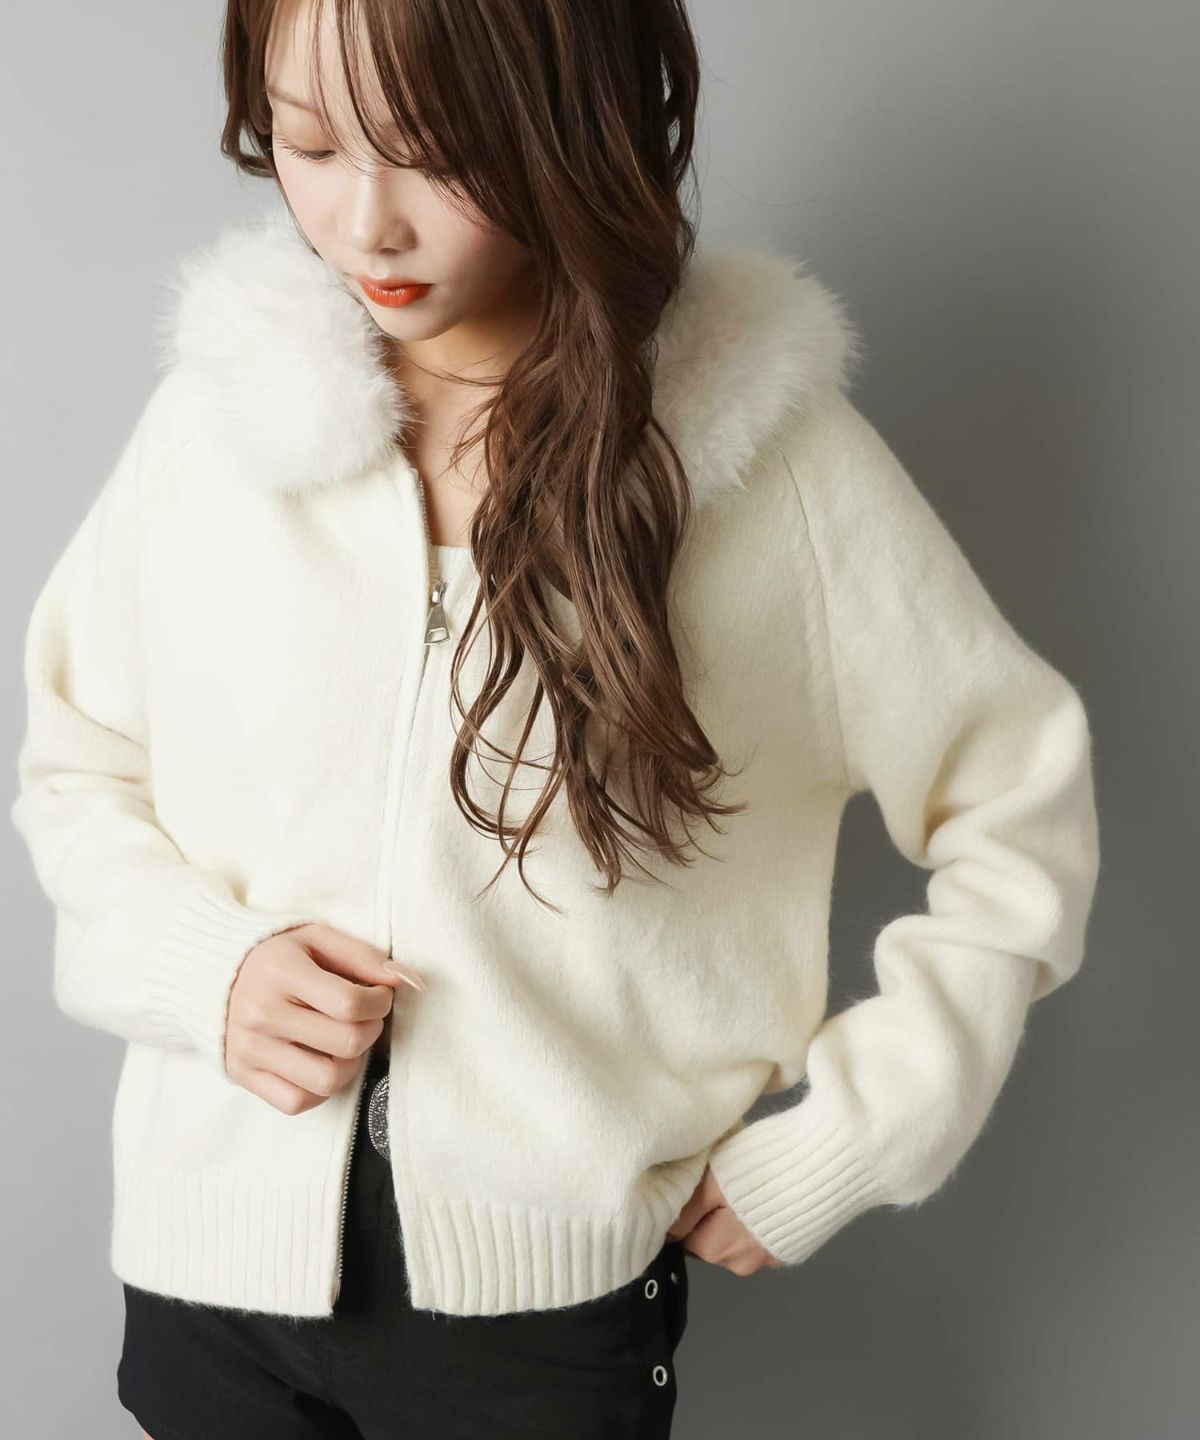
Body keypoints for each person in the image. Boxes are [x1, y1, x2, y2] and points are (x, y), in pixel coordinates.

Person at [9, 0, 1102, 1436]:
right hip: (206, 1289)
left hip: (537, 1331)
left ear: (567, 123)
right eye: (311, 144)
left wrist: (857, 1137)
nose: (365, 222)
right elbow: (78, 763)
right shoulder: (219, 423)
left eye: (433, 153)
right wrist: (203, 970)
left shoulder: (764, 463)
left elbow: (1019, 807)